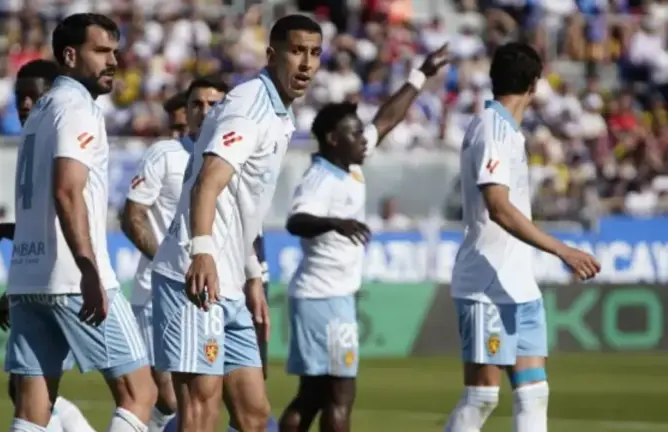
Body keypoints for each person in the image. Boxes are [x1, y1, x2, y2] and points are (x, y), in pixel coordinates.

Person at [149, 14, 323, 432]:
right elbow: (207, 184)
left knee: (254, 415)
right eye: (296, 51)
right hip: (193, 276)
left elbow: (242, 205)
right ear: (271, 54)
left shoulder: (280, 115)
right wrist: (202, 253)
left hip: (229, 280)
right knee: (200, 409)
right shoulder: (250, 106)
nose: (306, 64)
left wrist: (252, 277)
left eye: (314, 53)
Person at [277, 44, 449, 432]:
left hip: (329, 296)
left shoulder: (347, 163)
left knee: (315, 395)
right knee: (339, 396)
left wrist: (420, 74)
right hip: (323, 298)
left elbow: (387, 119)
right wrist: (335, 222)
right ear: (334, 139)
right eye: (355, 133)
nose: (364, 138)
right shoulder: (320, 177)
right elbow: (297, 221)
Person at [4, 13, 156, 432]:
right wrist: (88, 266)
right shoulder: (77, 108)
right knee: (140, 392)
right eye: (101, 51)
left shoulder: (42, 110)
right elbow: (67, 190)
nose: (113, 61)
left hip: (28, 278)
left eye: (115, 51)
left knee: (33, 407)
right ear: (70, 56)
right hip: (73, 276)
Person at [443, 42, 600, 432]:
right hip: (486, 284)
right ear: (534, 84)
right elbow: (498, 206)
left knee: (533, 394)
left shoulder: (506, 131)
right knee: (482, 396)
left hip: (518, 284)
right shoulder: (493, 130)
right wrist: (561, 249)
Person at [0, 59, 95, 432]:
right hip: (51, 278)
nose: (24, 105)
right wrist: (7, 235)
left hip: (75, 279)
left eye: (32, 97)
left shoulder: (63, 135)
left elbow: (65, 210)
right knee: (27, 387)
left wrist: (24, 285)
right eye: (19, 97)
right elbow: (42, 221)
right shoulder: (35, 141)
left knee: (141, 391)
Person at [120, 76, 229, 432]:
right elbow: (131, 216)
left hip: (214, 289)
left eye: (212, 105)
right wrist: (168, 259)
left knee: (209, 393)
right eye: (196, 105)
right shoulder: (165, 154)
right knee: (169, 396)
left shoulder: (230, 158)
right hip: (159, 289)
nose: (204, 113)